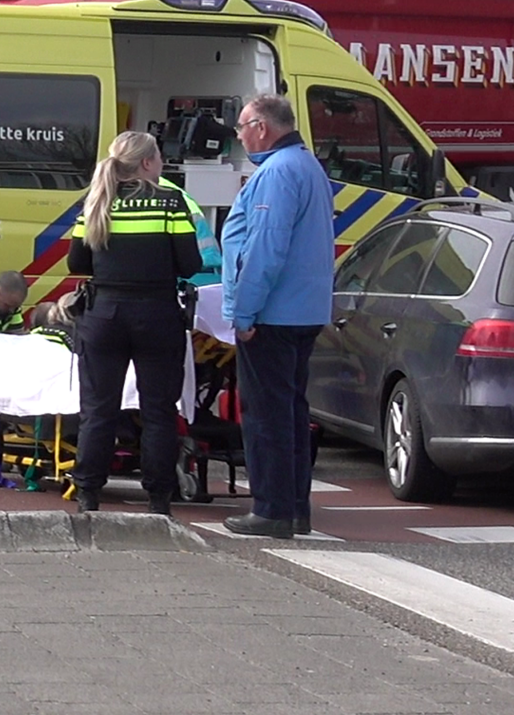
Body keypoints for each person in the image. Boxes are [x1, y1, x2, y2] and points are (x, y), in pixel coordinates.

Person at [67, 130, 200, 515]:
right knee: (158, 410)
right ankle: (159, 499)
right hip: (156, 314)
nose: (162, 165)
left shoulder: (95, 201)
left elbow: (77, 264)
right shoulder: (170, 202)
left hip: (104, 314)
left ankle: (88, 493)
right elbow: (190, 263)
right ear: (146, 164)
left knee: (98, 409)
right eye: (158, 158)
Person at [220, 94, 334, 539]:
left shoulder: (276, 173)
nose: (240, 135)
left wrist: (244, 311)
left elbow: (265, 248)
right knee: (290, 412)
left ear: (262, 127)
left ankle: (271, 509)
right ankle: (293, 508)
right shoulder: (308, 167)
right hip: (304, 308)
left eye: (243, 126)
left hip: (273, 312)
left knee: (266, 415)